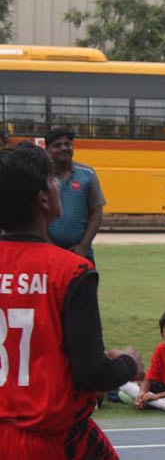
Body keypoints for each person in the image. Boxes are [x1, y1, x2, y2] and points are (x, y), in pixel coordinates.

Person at [0, 142, 139, 458]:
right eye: (53, 179)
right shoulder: (71, 271)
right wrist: (128, 363)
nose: (59, 185)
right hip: (46, 437)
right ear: (43, 199)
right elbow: (90, 373)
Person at [44, 127, 105, 264]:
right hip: (48, 254)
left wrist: (83, 247)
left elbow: (97, 212)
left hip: (81, 254)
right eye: (57, 145)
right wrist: (51, 247)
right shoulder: (40, 175)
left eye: (68, 144)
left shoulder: (87, 174)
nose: (64, 148)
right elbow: (35, 216)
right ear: (47, 149)